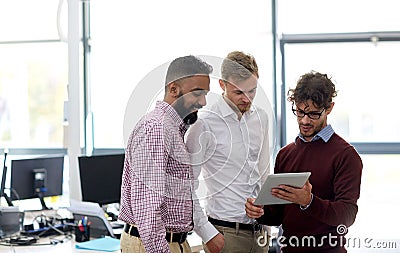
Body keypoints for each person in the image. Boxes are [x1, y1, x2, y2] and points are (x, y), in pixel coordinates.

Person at [245, 71, 363, 253]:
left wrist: (309, 201)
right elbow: (278, 216)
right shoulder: (285, 154)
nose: (305, 120)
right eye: (300, 112)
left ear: (329, 108)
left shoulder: (346, 155)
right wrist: (260, 212)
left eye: (314, 114)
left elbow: (347, 216)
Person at [118, 55, 213, 253]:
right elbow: (147, 206)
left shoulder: (173, 129)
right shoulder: (157, 129)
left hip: (173, 241)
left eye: (205, 94)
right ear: (173, 89)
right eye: (197, 93)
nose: (203, 102)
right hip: (153, 244)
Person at [186, 51, 271, 253]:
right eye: (239, 92)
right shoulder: (204, 123)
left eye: (252, 91)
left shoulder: (262, 118)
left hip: (260, 233)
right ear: (222, 85)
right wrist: (207, 234)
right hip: (224, 234)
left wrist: (268, 223)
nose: (246, 98)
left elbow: (263, 172)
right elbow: (187, 185)